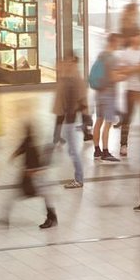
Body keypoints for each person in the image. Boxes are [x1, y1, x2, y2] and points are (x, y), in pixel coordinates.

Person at [0, 123, 57, 230]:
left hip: (32, 179)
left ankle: (52, 218)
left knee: (43, 195)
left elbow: (37, 163)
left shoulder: (31, 145)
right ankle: (52, 218)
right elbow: (21, 149)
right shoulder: (29, 142)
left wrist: (30, 173)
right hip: (31, 178)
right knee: (45, 196)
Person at [90, 33, 123, 162]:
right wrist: (125, 76)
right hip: (109, 93)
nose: (119, 44)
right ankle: (105, 151)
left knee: (98, 121)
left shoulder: (101, 56)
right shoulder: (112, 58)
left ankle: (96, 150)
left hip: (99, 92)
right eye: (118, 42)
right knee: (108, 123)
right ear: (113, 42)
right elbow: (114, 77)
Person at [55, 56, 87, 189]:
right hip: (69, 119)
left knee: (73, 151)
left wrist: (85, 120)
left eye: (68, 63)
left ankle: (79, 179)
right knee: (71, 151)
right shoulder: (69, 79)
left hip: (71, 120)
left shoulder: (73, 81)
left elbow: (81, 102)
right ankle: (78, 178)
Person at [118, 32, 140, 158]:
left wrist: (134, 68)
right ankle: (123, 145)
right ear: (132, 38)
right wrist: (136, 68)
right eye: (137, 36)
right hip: (131, 90)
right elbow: (122, 70)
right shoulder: (126, 53)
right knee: (127, 119)